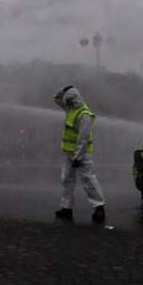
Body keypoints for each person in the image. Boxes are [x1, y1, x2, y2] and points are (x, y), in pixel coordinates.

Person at [52, 85, 106, 223]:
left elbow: (83, 138)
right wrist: (63, 90)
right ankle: (66, 208)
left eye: (69, 101)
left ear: (75, 100)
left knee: (88, 179)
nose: (67, 104)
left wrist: (78, 157)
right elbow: (56, 99)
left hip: (81, 154)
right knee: (66, 179)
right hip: (68, 152)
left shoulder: (84, 115)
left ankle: (99, 207)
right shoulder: (71, 108)